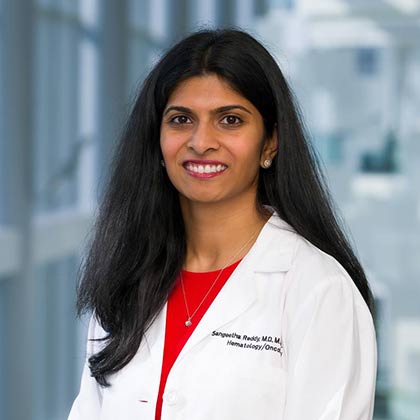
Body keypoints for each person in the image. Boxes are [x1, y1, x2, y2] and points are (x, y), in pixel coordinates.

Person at [68, 28, 377, 420]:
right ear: (157, 141)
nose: (201, 141)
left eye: (230, 120)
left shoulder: (317, 289)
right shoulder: (127, 277)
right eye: (181, 119)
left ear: (270, 143)